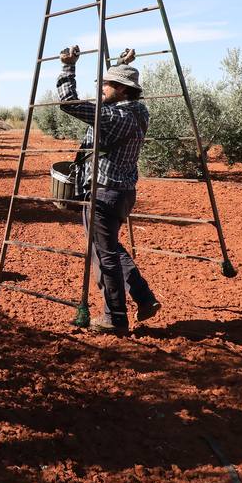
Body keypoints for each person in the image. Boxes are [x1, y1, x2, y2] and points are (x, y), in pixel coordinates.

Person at [56, 44, 161, 334]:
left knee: (105, 256)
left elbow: (69, 103)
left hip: (103, 193)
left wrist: (68, 66)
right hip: (124, 192)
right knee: (110, 247)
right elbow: (112, 98)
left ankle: (114, 317)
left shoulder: (113, 118)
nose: (103, 87)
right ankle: (143, 296)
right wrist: (119, 65)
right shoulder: (140, 112)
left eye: (109, 83)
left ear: (124, 90)